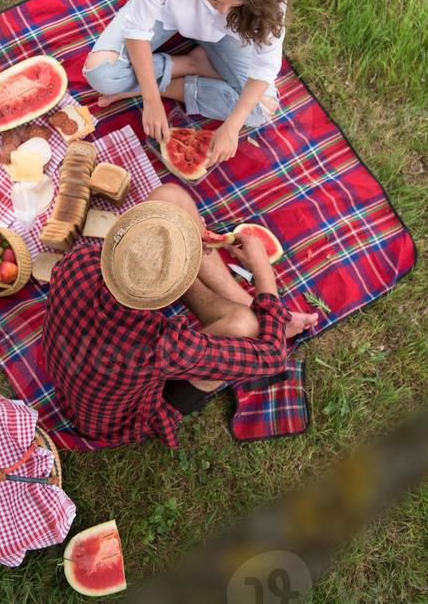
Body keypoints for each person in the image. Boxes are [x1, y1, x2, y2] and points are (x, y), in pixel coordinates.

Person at [41, 184, 317, 449]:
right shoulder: (161, 346)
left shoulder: (80, 259)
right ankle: (268, 315)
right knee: (247, 326)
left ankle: (252, 305)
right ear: (169, 294)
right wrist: (261, 270)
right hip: (119, 419)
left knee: (169, 195)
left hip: (71, 372)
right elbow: (270, 358)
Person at [82, 0, 287, 165]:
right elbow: (137, 29)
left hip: (226, 38)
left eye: (235, 4)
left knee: (262, 109)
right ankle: (191, 64)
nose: (222, 11)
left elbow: (264, 68)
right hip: (168, 18)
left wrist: (232, 125)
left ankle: (174, 76)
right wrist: (151, 102)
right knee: (101, 73)